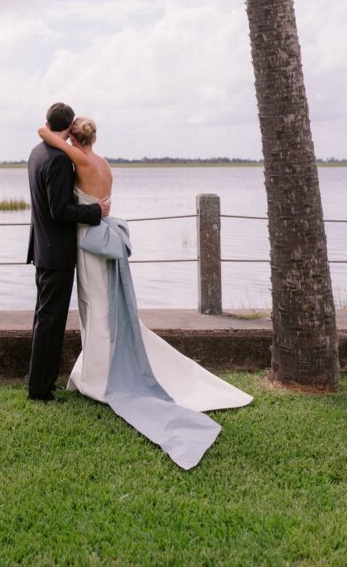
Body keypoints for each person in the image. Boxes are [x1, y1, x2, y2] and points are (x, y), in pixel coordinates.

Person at [38, 115, 252, 470]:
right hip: (104, 234)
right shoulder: (102, 163)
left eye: (71, 138)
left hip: (89, 241)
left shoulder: (80, 158)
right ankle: (95, 369)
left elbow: (47, 135)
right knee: (104, 303)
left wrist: (50, 128)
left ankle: (99, 376)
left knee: (95, 304)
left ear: (75, 139)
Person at [26, 102, 111, 402]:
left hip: (42, 249)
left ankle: (40, 383)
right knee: (51, 322)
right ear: (69, 125)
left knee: (44, 318)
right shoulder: (60, 160)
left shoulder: (37, 152)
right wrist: (94, 211)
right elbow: (59, 209)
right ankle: (40, 390)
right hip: (57, 253)